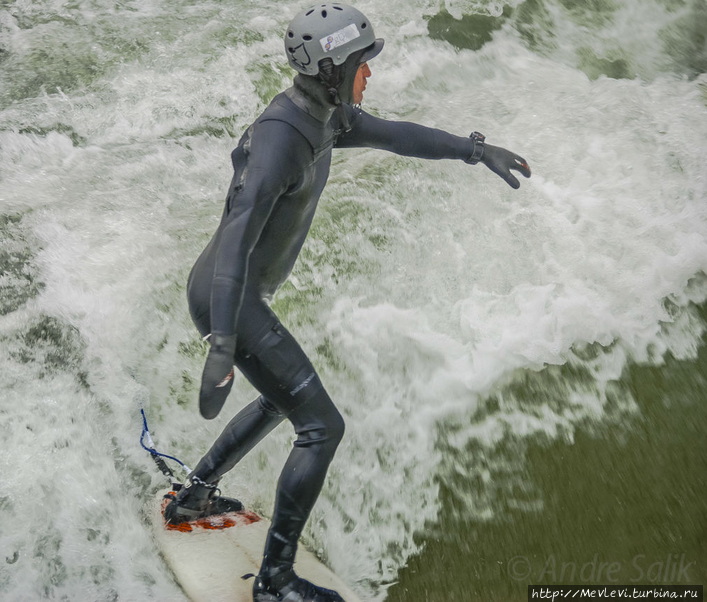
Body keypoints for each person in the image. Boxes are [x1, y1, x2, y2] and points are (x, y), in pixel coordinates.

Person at [164, 3, 531, 601]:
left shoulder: (327, 114)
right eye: (364, 62)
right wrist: (223, 341)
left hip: (242, 296)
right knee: (323, 427)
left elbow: (397, 136)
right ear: (334, 68)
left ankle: (193, 496)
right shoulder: (280, 141)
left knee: (284, 403)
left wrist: (473, 149)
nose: (371, 73)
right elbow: (234, 239)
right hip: (227, 297)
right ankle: (274, 582)